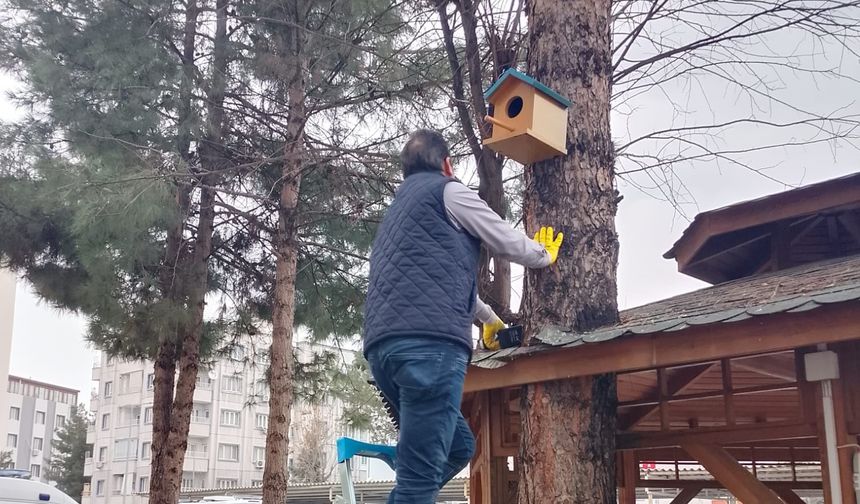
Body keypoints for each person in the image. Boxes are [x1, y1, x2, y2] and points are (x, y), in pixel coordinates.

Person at [362, 129, 563, 503]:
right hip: (430, 351)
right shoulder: (448, 190)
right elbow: (500, 236)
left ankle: (407, 490)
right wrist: (543, 256)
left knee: (458, 446)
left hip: (384, 352)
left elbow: (430, 283)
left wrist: (487, 318)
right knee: (418, 483)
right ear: (446, 164)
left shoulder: (398, 213)